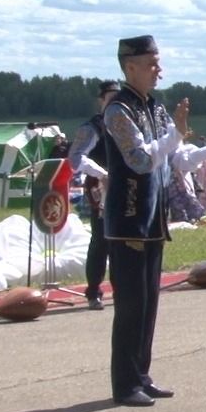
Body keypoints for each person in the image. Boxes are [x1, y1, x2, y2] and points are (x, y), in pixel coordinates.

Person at [103, 35, 206, 406]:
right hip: (128, 219)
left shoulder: (155, 108)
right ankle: (124, 384)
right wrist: (175, 134)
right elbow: (139, 160)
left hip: (152, 220)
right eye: (152, 64)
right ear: (130, 66)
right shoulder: (118, 110)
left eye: (158, 63)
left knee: (149, 302)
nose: (159, 71)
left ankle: (141, 374)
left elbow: (176, 159)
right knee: (131, 305)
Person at [67, 80, 121, 310]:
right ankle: (93, 291)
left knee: (124, 241)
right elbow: (76, 157)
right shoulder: (93, 127)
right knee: (101, 240)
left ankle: (122, 289)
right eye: (110, 97)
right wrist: (102, 173)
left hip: (126, 185)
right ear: (101, 100)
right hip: (101, 186)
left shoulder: (126, 125)